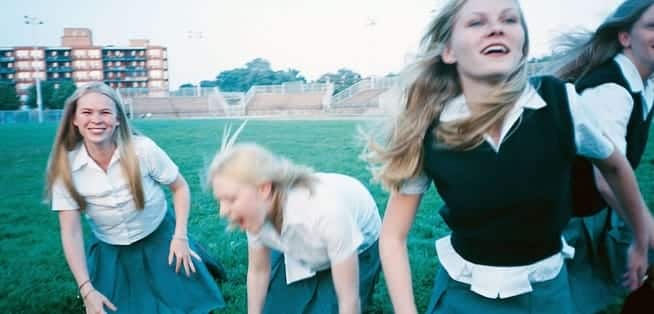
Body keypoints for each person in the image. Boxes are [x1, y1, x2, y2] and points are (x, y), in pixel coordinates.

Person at [362, 0, 651, 313]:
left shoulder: (559, 101)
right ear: (449, 52)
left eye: (510, 19)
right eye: (477, 22)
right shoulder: (428, 126)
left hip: (548, 294)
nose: (496, 28)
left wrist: (639, 233)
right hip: (464, 295)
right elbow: (392, 236)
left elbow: (614, 165)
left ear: (523, 44)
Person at [45, 82, 225, 314]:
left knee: (191, 302)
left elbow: (180, 187)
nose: (96, 119)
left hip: (160, 235)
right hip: (111, 247)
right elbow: (71, 231)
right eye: (87, 112)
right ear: (74, 119)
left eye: (105, 112)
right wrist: (87, 289)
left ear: (118, 119)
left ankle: (189, 253)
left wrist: (179, 237)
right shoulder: (65, 168)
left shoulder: (143, 150)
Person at [206, 127, 381, 314]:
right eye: (220, 200)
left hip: (359, 244)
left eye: (231, 199)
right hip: (305, 234)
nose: (222, 211)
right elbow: (259, 271)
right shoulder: (254, 213)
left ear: (264, 188)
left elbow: (348, 299)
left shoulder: (326, 212)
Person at [551, 1, 654, 312]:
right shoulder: (611, 89)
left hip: (592, 207)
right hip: (569, 214)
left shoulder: (644, 77)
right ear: (625, 38)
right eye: (652, 26)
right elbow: (607, 180)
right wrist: (643, 229)